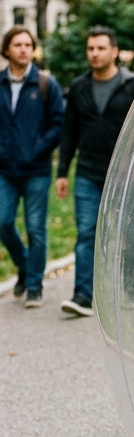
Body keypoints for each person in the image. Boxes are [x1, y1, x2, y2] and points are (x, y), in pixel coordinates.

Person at [55, 26, 134, 317]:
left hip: (125, 173)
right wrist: (63, 171)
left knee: (125, 233)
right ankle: (82, 294)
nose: (94, 53)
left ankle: (128, 285)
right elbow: (69, 132)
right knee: (86, 232)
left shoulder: (131, 85)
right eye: (90, 48)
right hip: (88, 172)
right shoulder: (79, 86)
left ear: (114, 51)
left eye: (100, 48)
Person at [0, 26, 64, 307]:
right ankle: (25, 267)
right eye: (17, 45)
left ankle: (35, 285)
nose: (24, 49)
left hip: (36, 170)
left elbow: (58, 125)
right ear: (7, 50)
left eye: (28, 44)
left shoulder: (45, 84)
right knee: (3, 222)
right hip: (5, 169)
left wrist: (36, 150)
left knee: (36, 228)